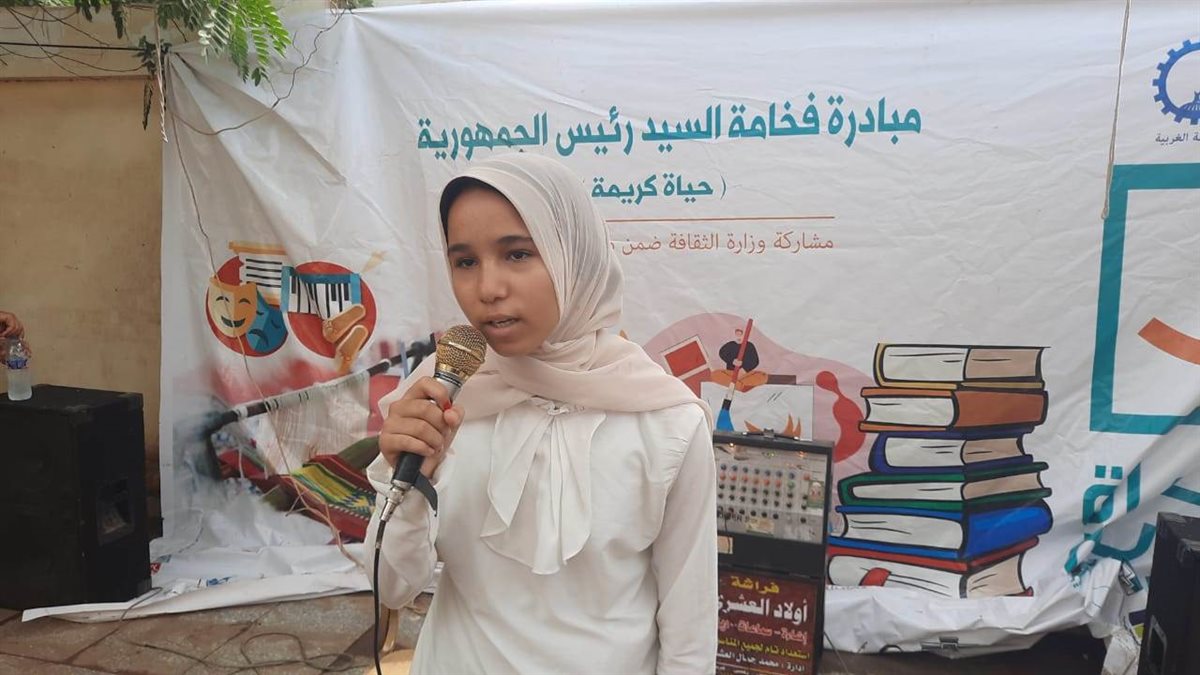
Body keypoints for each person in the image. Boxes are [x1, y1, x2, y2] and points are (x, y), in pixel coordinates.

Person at [365, 154, 718, 674]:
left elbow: (689, 634)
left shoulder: (667, 422)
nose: (488, 288)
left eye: (517, 254)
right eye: (465, 262)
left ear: (574, 255)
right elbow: (392, 586)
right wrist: (410, 484)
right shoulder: (440, 403)